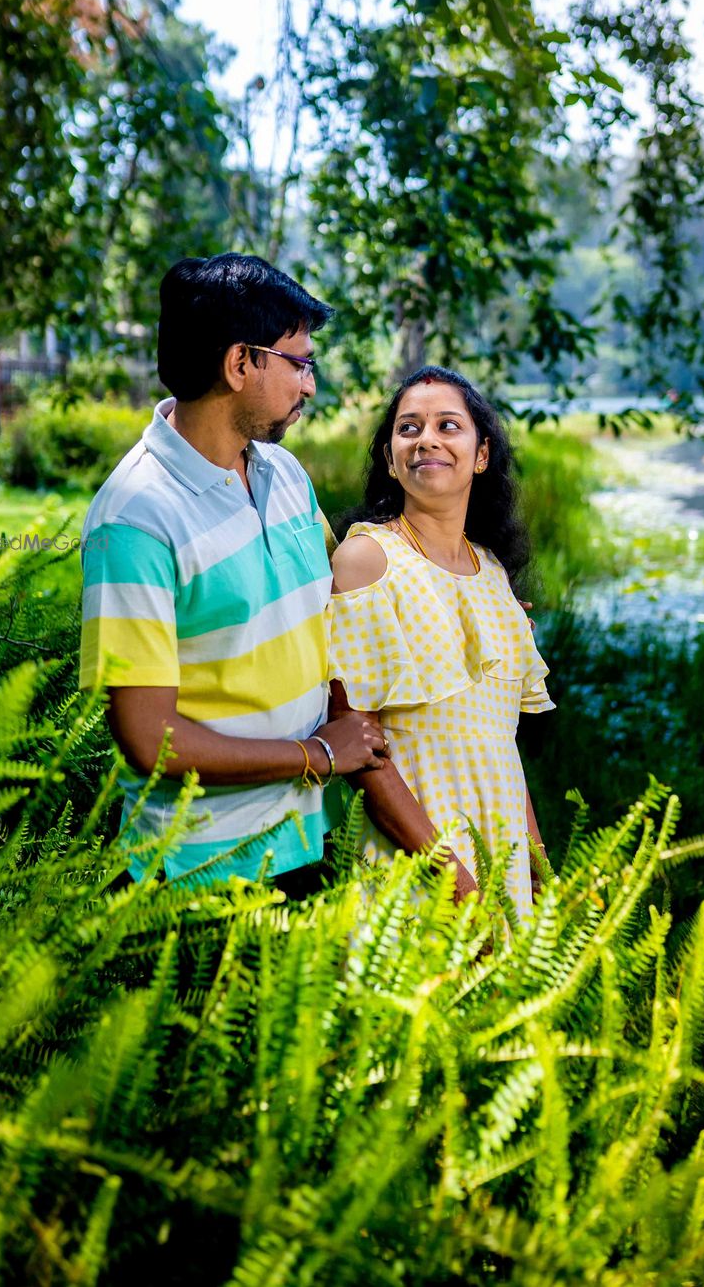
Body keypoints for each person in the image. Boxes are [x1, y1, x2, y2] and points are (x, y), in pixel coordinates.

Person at [79, 252, 386, 888]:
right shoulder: (136, 516)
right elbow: (148, 738)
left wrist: (467, 600)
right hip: (204, 870)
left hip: (312, 836)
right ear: (240, 363)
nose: (309, 385)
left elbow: (341, 602)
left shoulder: (285, 473)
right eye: (299, 362)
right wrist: (318, 755)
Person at [327, 366, 555, 920]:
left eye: (448, 425)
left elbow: (502, 747)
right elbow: (361, 748)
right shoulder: (368, 562)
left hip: (501, 862)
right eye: (409, 429)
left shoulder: (494, 573)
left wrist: (540, 869)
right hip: (416, 866)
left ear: (480, 455)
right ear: (389, 459)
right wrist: (450, 880)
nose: (426, 438)